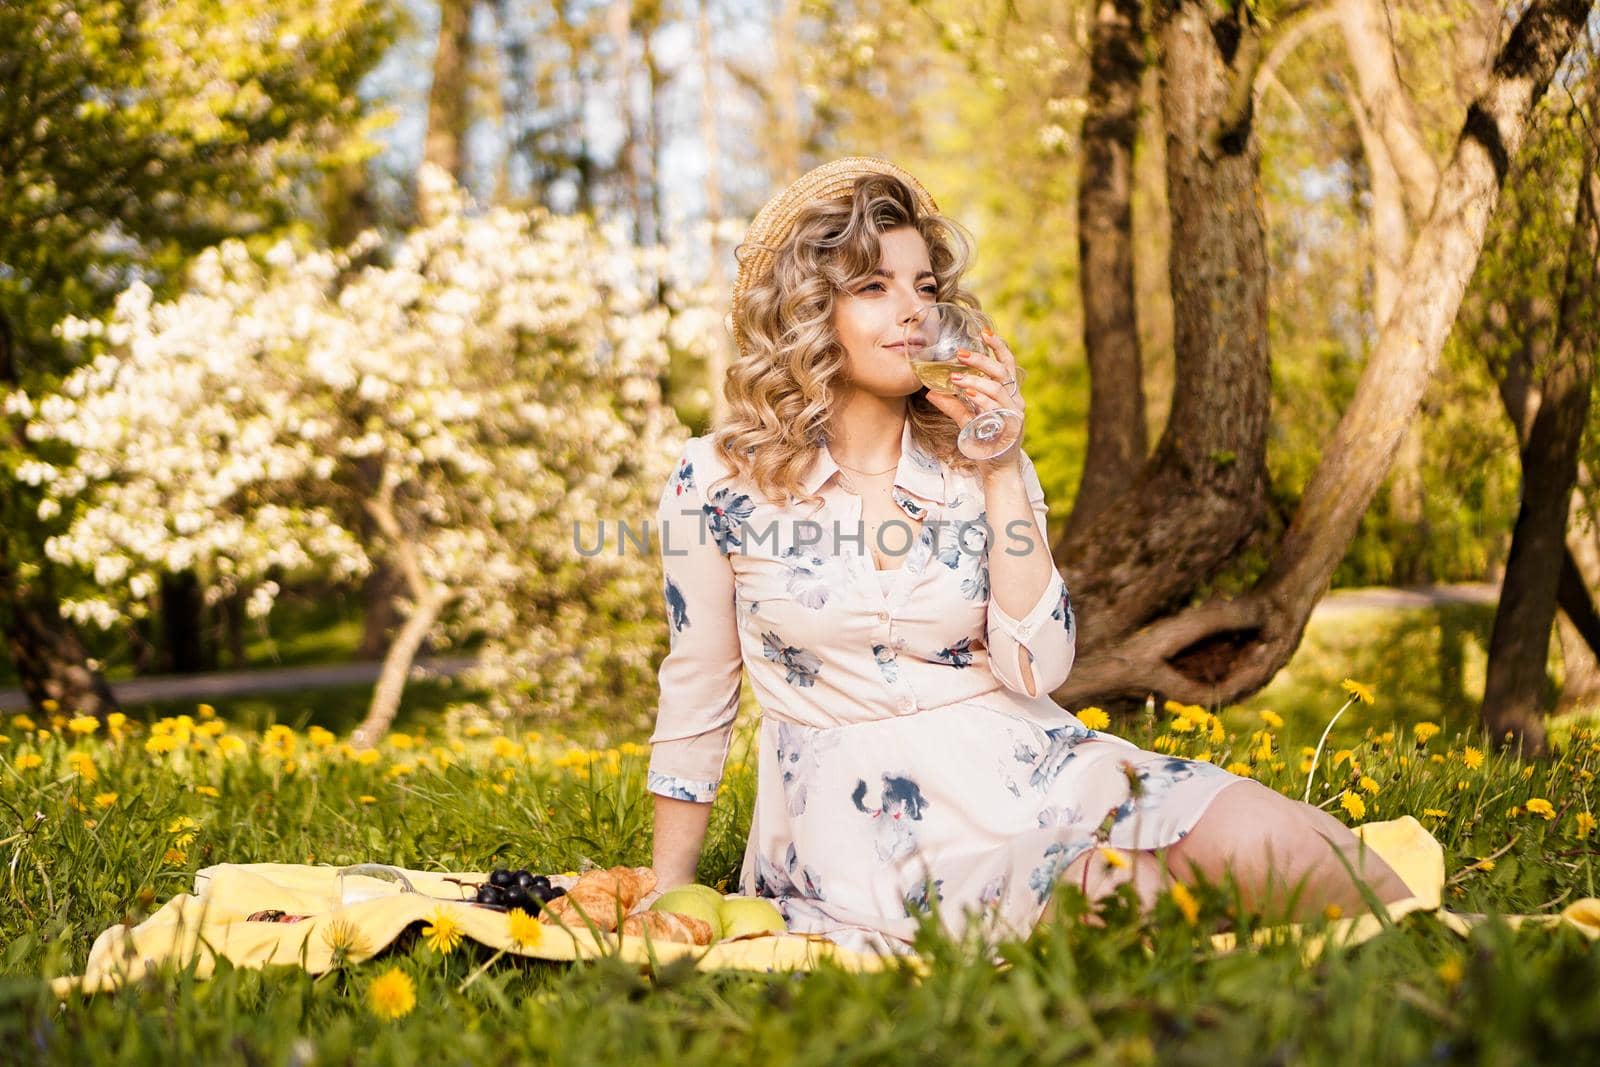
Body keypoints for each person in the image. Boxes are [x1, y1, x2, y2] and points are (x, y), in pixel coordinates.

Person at [646, 156, 1414, 956]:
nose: (912, 310)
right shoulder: (716, 480)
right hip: (867, 826)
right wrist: (672, 893)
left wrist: (1002, 465)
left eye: (924, 286)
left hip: (1032, 763)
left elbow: (1036, 669)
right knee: (1122, 899)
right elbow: (698, 691)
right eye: (873, 287)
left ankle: (1475, 951)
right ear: (808, 310)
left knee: (1271, 836)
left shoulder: (975, 460)